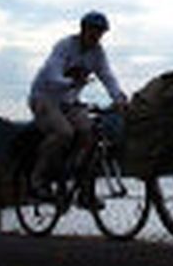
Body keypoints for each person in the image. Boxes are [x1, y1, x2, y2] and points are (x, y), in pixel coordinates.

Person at [27, 11, 129, 208]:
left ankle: (84, 192)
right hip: (44, 97)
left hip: (69, 102)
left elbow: (107, 76)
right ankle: (37, 181)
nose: (97, 36)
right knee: (64, 133)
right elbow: (51, 75)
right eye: (94, 30)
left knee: (90, 135)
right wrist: (71, 82)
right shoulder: (65, 46)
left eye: (101, 32)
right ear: (83, 29)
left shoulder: (98, 53)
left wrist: (119, 97)